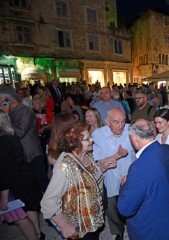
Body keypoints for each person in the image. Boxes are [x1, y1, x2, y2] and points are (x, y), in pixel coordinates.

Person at [41, 122, 115, 239]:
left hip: (93, 220)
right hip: (80, 228)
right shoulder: (64, 166)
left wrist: (101, 167)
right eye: (87, 139)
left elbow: (86, 177)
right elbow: (48, 202)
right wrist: (64, 225)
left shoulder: (86, 154)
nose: (92, 140)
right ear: (73, 144)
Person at [117, 119, 169, 240]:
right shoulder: (167, 149)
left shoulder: (139, 168)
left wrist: (124, 185)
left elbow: (125, 208)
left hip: (153, 229)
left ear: (134, 140)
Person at [0, 85, 48, 238]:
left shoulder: (25, 111)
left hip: (32, 155)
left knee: (43, 187)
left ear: (6, 100)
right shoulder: (10, 113)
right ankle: (38, 233)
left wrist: (6, 117)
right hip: (21, 160)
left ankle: (55, 215)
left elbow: (18, 133)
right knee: (29, 200)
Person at [92, 108, 136, 240]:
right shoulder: (98, 135)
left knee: (132, 204)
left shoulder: (131, 130)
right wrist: (117, 155)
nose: (121, 126)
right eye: (116, 122)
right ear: (107, 121)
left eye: (123, 122)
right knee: (111, 207)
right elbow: (97, 162)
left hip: (129, 176)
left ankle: (133, 228)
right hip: (110, 178)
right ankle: (117, 232)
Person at [0, 110, 39, 240]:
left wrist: (4, 197)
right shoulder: (12, 135)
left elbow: (4, 171)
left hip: (15, 180)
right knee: (29, 207)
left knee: (19, 216)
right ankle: (38, 234)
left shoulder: (2, 141)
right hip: (24, 174)